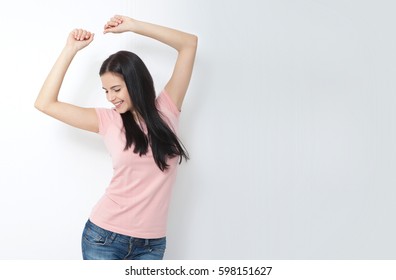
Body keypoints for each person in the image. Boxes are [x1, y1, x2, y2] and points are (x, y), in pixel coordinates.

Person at [34, 15, 198, 260]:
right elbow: (45, 103)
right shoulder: (108, 120)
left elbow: (189, 44)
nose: (110, 97)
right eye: (106, 90)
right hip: (104, 238)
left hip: (152, 244)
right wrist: (70, 49)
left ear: (136, 83)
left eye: (116, 89)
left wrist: (133, 26)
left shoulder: (167, 108)